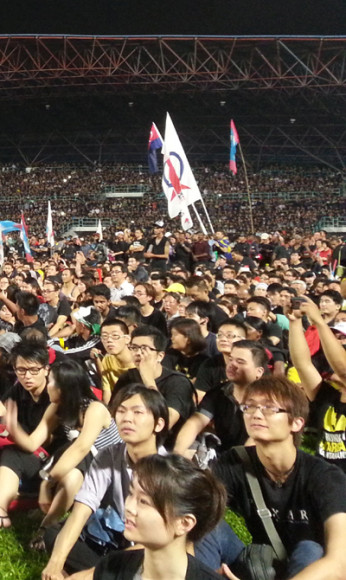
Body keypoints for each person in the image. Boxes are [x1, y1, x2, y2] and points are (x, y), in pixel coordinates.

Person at [199, 375, 346, 579]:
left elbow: (339, 562)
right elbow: (186, 509)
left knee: (309, 549)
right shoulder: (233, 464)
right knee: (202, 524)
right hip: (262, 563)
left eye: (270, 408)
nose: (256, 415)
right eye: (249, 407)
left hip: (312, 570)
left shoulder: (324, 477)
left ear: (296, 423)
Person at [41, 384, 169, 579]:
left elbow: (162, 541)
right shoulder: (109, 455)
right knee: (54, 534)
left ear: (158, 424)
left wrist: (87, 575)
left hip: (149, 551)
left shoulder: (168, 471)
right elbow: (81, 511)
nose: (127, 418)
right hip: (116, 538)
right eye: (121, 411)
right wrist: (54, 566)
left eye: (137, 412)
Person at [2, 359, 120, 545]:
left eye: (50, 381)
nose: (47, 386)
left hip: (108, 472)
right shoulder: (56, 408)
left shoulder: (95, 409)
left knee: (73, 468)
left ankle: (46, 527)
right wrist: (13, 428)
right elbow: (32, 443)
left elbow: (81, 448)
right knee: (18, 454)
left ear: (64, 387)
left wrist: (46, 483)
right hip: (79, 467)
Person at [76, 454, 227, 580]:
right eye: (131, 494)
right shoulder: (111, 567)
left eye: (143, 501)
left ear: (184, 523)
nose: (129, 507)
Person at [174, 340, 267, 456]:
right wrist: (177, 454)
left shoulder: (270, 399)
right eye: (231, 359)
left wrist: (237, 463)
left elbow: (259, 437)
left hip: (258, 459)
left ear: (259, 372)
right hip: (222, 458)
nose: (232, 365)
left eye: (240, 361)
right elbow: (195, 422)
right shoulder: (218, 392)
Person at [112, 325, 195, 449]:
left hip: (168, 448)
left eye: (144, 348)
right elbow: (113, 413)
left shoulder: (178, 382)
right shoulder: (127, 377)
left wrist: (148, 380)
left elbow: (164, 423)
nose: (138, 353)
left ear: (160, 356)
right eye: (134, 348)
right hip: (130, 443)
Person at [289, 295, 346, 472]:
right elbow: (302, 364)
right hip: (327, 481)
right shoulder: (327, 395)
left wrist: (319, 322)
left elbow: (343, 370)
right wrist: (295, 322)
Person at [91, 318, 135, 405]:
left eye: (115, 336)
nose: (109, 340)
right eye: (104, 336)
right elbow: (107, 393)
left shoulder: (138, 361)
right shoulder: (107, 360)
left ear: (127, 339)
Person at [164, 318, 209, 382]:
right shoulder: (169, 355)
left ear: (188, 338)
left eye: (175, 335)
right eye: (172, 335)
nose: (172, 338)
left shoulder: (204, 361)